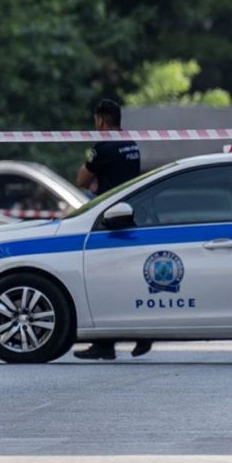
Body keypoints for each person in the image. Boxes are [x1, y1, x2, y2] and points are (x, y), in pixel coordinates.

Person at [74, 99, 151, 361]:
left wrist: (95, 178)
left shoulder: (104, 146)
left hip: (107, 220)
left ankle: (105, 345)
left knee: (101, 282)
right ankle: (141, 334)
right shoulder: (130, 144)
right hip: (129, 215)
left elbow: (81, 179)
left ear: (100, 120)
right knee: (128, 278)